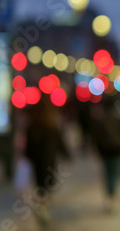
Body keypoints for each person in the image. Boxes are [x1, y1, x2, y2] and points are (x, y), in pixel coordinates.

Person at [24, 95, 70, 227]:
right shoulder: (51, 125)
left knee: (40, 185)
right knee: (48, 186)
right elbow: (60, 142)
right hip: (49, 160)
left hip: (38, 162)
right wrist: (66, 154)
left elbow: (28, 147)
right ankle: (43, 208)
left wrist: (29, 156)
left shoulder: (33, 126)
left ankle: (42, 207)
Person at [88, 95, 120, 213]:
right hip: (117, 150)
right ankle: (112, 195)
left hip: (105, 151)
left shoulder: (100, 119)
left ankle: (110, 195)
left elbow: (96, 137)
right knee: (114, 173)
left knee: (108, 173)